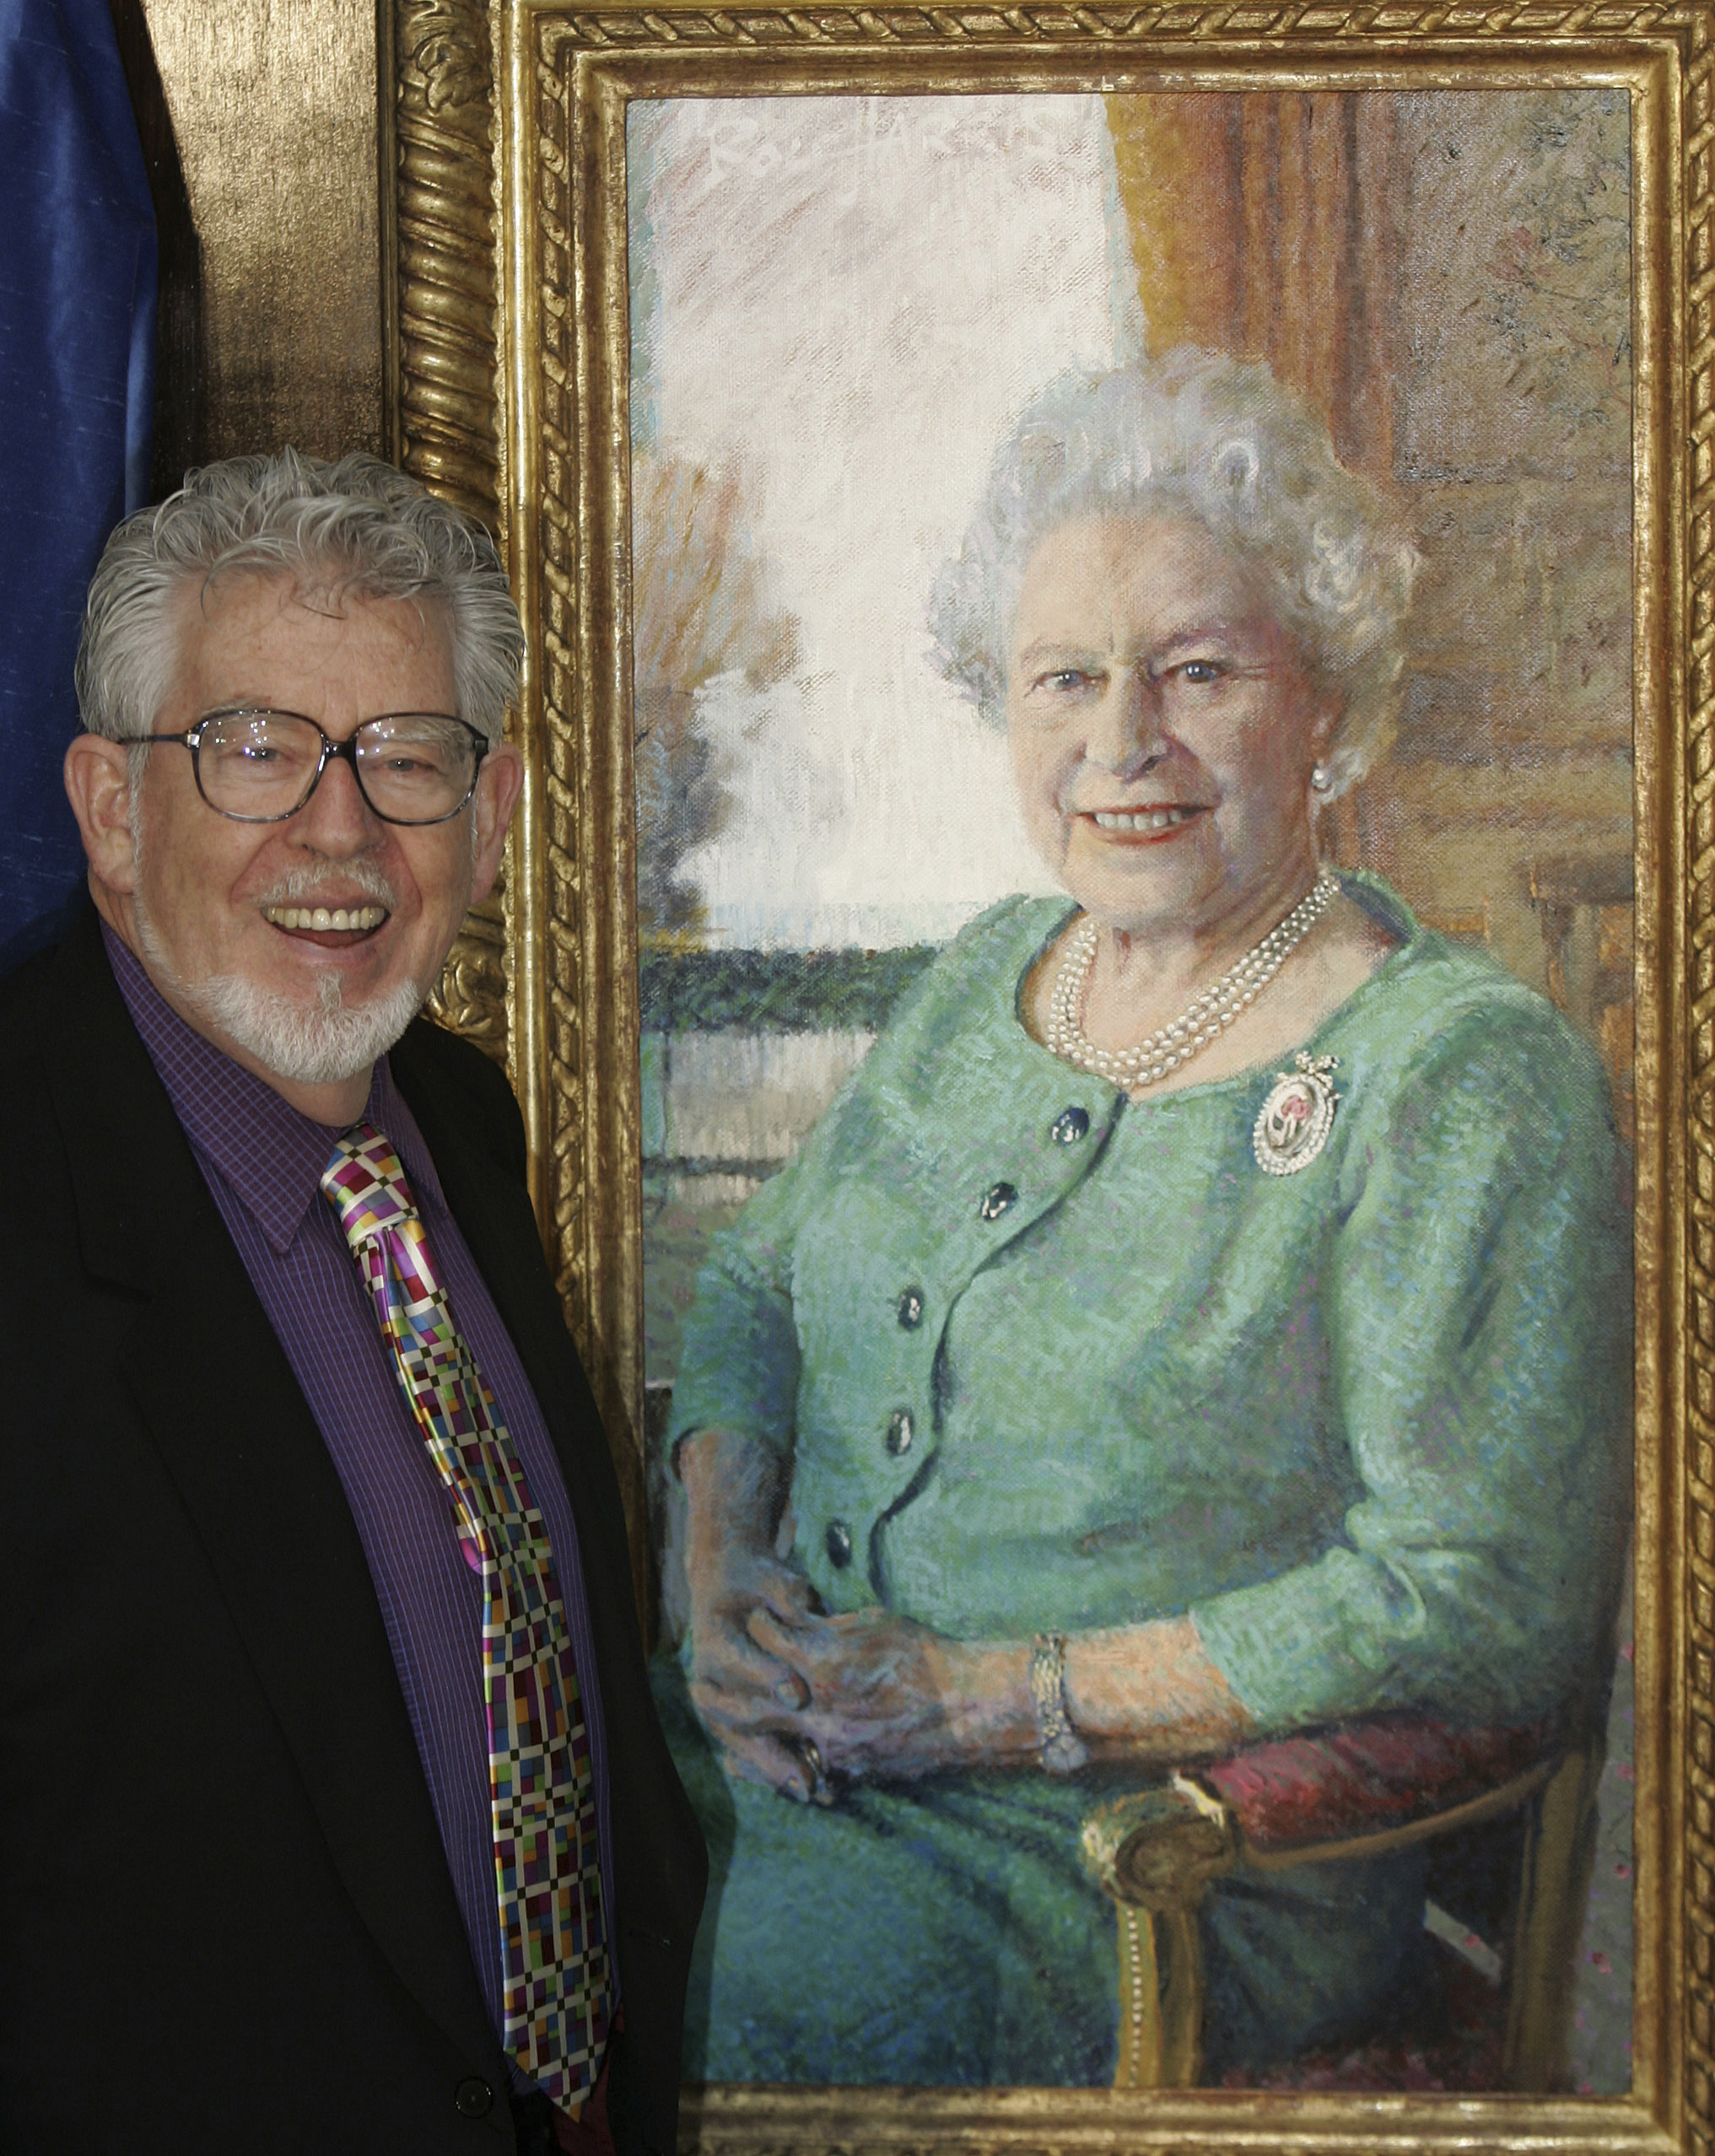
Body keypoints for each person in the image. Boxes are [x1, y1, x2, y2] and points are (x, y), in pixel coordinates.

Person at [655, 351, 1632, 2085]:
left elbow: (1477, 1596)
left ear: (1325, 703)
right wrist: (714, 1572)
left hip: (1136, 1870)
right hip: (786, 1754)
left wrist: (987, 1700)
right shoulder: (984, 983)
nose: (1123, 742)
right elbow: (753, 1287)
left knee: (662, 1986)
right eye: (1065, 679)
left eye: (1197, 672)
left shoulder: (1456, 1078)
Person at [0, 451, 705, 2153]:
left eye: (407, 757)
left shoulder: (455, 1122)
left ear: (493, 818)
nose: (341, 830)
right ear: (109, 810)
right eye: (252, 750)